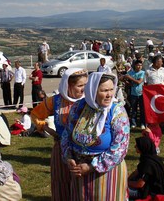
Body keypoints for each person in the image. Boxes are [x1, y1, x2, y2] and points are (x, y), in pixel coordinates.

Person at [61, 72, 130, 201]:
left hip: (106, 172)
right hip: (79, 170)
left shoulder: (117, 111)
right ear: (92, 90)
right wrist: (68, 157)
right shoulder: (78, 107)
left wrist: (92, 167)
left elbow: (120, 147)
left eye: (111, 89)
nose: (109, 94)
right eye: (104, 90)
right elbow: (66, 134)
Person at [30, 68, 88, 200]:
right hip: (61, 148)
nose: (84, 89)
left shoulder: (90, 101)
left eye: (86, 85)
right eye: (80, 86)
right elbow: (35, 114)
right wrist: (49, 130)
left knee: (82, 185)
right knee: (61, 181)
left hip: (84, 151)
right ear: (68, 86)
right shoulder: (55, 101)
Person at [124, 60, 145, 128]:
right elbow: (124, 78)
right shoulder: (131, 72)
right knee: (133, 109)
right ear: (135, 66)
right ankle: (133, 122)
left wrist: (130, 78)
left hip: (141, 93)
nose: (139, 67)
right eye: (138, 65)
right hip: (133, 93)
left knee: (142, 109)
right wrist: (127, 81)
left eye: (140, 65)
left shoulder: (142, 73)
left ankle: (142, 123)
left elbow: (139, 82)